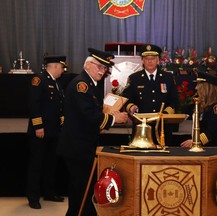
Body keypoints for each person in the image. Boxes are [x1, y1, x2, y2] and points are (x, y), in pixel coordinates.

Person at [57, 48, 128, 216]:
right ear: (88, 65)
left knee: (78, 192)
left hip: (80, 146)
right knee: (86, 192)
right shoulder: (81, 85)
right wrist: (113, 119)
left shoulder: (89, 84)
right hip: (77, 148)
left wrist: (106, 117)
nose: (102, 71)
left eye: (105, 69)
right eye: (99, 67)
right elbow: (89, 115)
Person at [26, 55, 67, 209]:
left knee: (51, 163)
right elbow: (33, 104)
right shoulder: (39, 80)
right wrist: (38, 126)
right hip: (41, 131)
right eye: (62, 67)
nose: (63, 71)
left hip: (54, 131)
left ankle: (49, 192)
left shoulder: (56, 83)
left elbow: (59, 106)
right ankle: (33, 197)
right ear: (54, 66)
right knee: (37, 164)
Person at [122, 44, 178, 146]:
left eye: (153, 58)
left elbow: (174, 101)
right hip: (141, 128)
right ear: (142, 60)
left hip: (162, 127)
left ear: (158, 60)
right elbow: (126, 100)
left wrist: (164, 114)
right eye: (146, 58)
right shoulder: (134, 78)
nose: (150, 61)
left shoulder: (168, 77)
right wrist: (131, 107)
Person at [180, 72, 217, 147]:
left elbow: (212, 131)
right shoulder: (203, 106)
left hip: (214, 148)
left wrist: (196, 141)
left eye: (199, 84)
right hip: (203, 146)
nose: (196, 88)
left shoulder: (216, 107)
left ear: (207, 88)